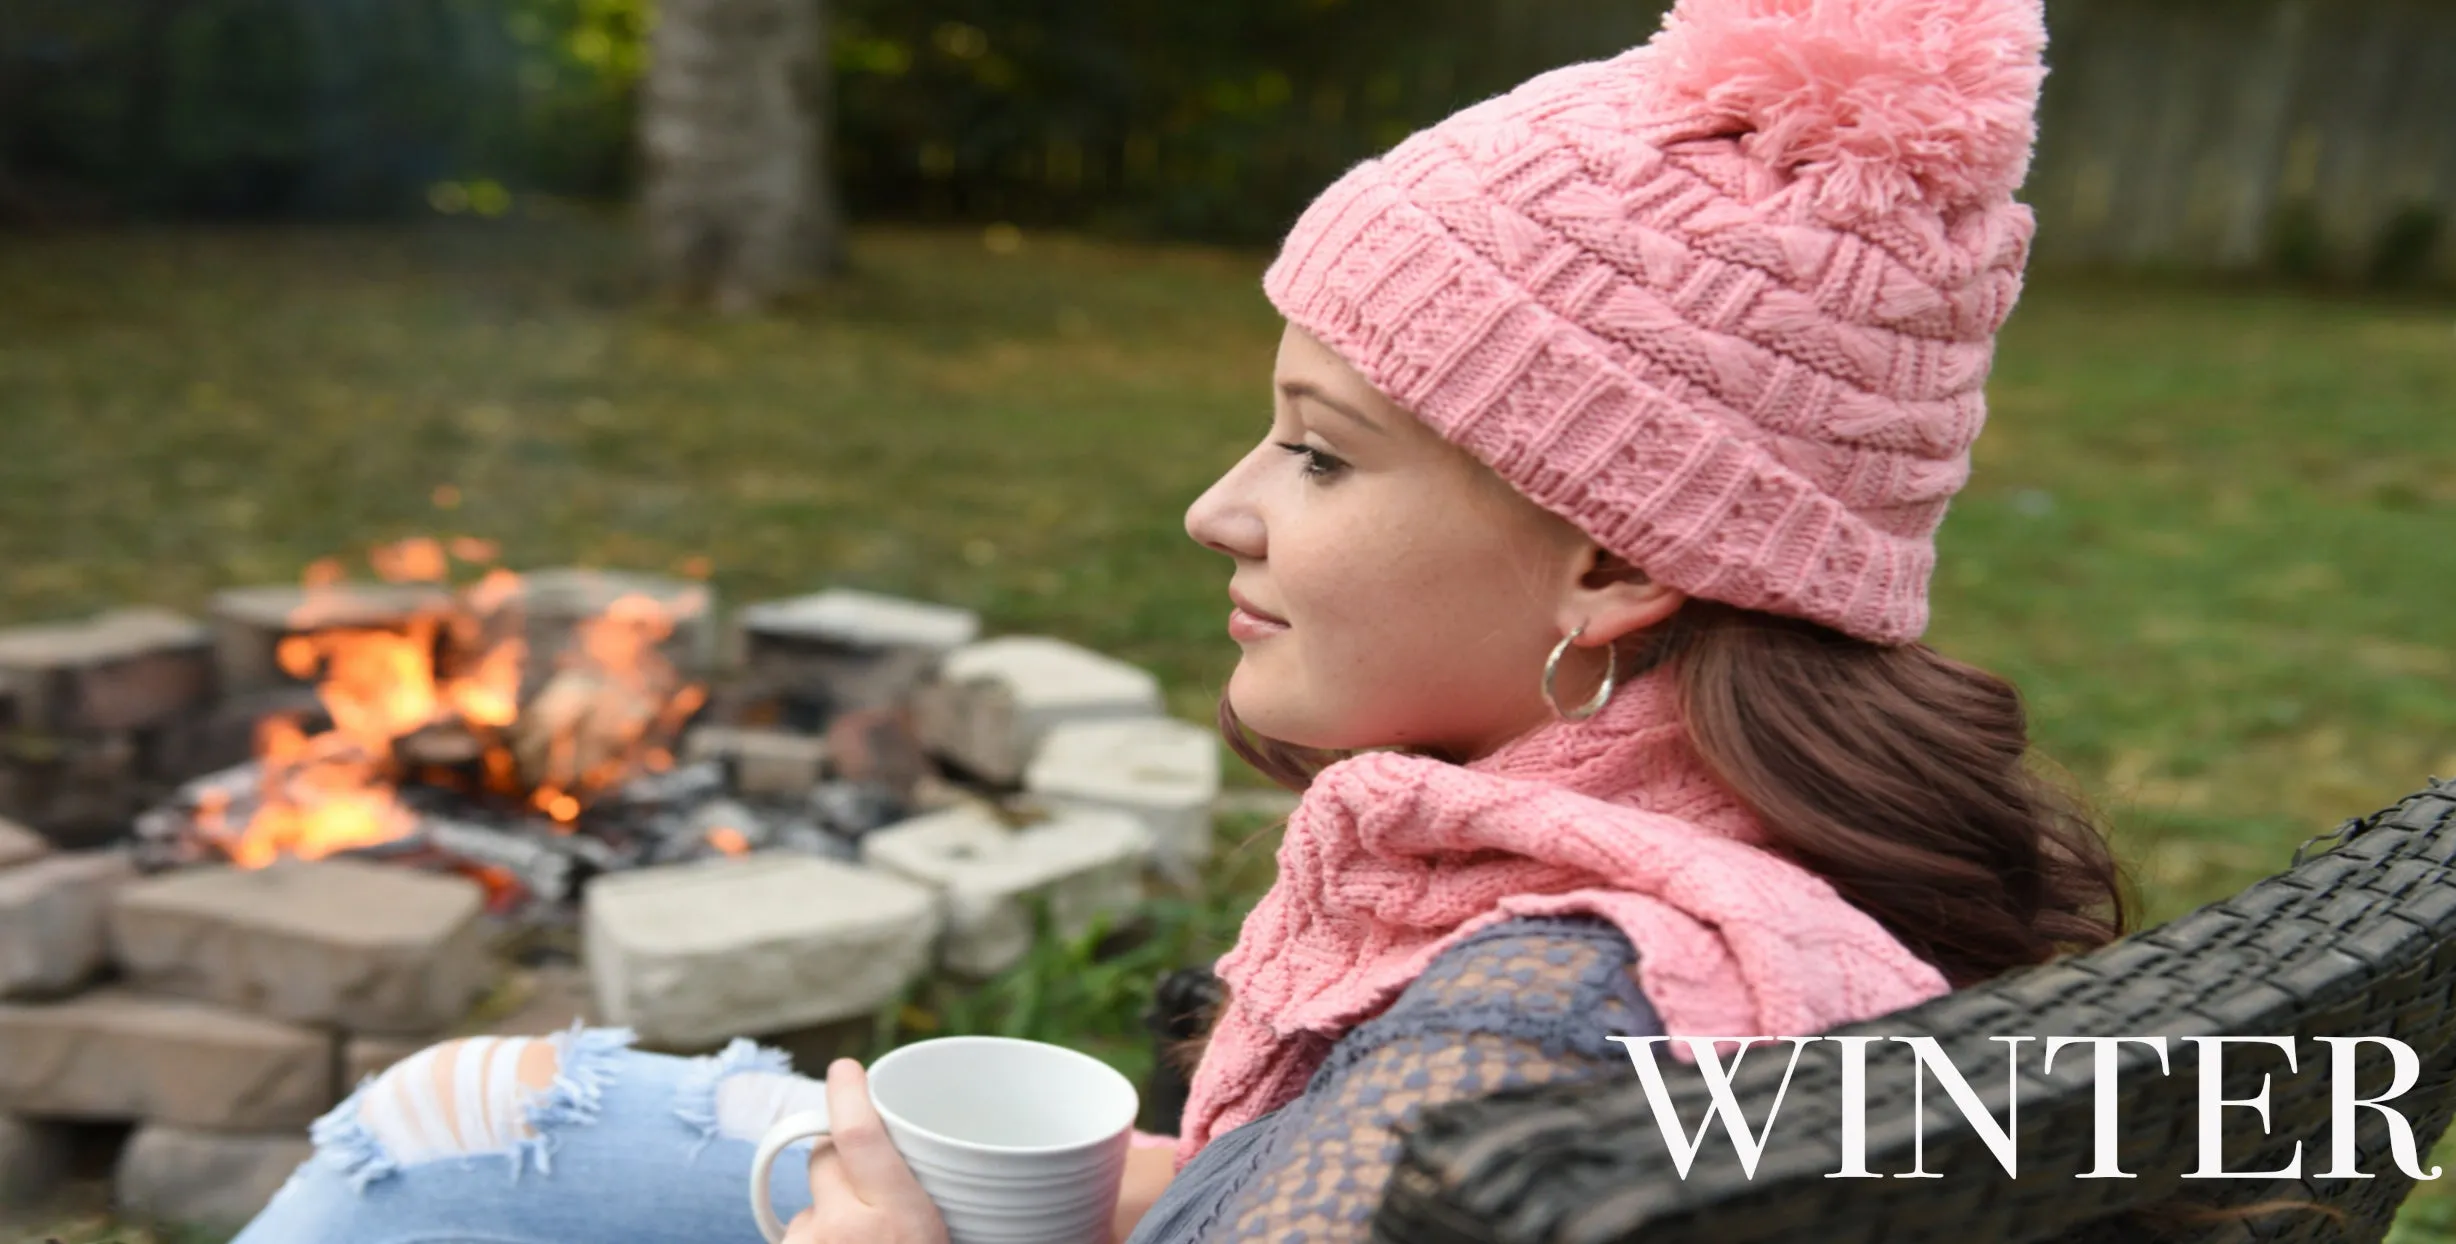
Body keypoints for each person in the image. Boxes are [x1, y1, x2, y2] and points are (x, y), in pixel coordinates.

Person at [232, 0, 2124, 1239]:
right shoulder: (1724, 870)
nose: (1216, 505)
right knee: (466, 1125)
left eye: (1319, 453)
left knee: (432, 1168)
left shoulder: (1561, 1024)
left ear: (1617, 562)